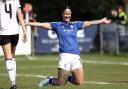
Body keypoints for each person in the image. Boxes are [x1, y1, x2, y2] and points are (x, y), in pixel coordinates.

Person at [26, 7, 111, 88]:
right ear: (62, 14)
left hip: (76, 57)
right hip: (65, 56)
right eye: (66, 13)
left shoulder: (75, 25)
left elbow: (89, 23)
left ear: (71, 14)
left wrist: (101, 21)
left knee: (79, 82)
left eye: (69, 14)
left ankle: (67, 78)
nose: (67, 15)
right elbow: (42, 25)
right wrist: (29, 23)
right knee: (60, 82)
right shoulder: (57, 25)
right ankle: (49, 80)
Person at [0, 0, 27, 89]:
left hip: (4, 32)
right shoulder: (15, 0)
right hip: (15, 32)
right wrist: (24, 30)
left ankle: (13, 84)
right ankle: (13, 83)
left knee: (8, 57)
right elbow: (20, 14)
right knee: (12, 56)